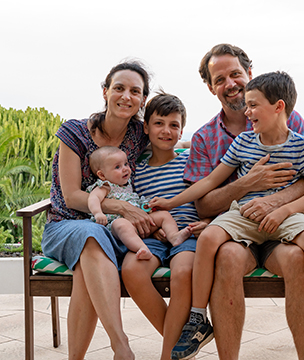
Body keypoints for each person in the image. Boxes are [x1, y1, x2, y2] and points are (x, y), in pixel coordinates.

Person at [151, 71, 304, 360]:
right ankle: (197, 320)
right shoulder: (242, 142)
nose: (247, 112)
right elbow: (209, 183)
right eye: (246, 105)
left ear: (279, 107)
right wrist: (170, 203)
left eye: (253, 105)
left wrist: (282, 208)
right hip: (245, 215)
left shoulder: (302, 144)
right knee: (211, 236)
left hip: (283, 216)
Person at [181, 43, 304, 360]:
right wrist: (246, 184)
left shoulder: (286, 118)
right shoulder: (205, 137)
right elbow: (203, 205)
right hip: (237, 231)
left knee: (298, 260)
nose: (230, 84)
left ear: (249, 72)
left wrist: (274, 201)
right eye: (219, 79)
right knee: (228, 257)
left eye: (235, 73)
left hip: (282, 228)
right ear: (210, 87)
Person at [41, 60, 154, 360]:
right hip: (65, 225)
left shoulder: (140, 136)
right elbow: (73, 196)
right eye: (119, 88)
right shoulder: (74, 133)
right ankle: (121, 346)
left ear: (143, 100)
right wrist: (118, 206)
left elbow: (170, 143)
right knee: (90, 235)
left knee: (85, 271)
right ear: (105, 92)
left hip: (113, 232)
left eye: (135, 91)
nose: (126, 96)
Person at [121, 92, 211, 360]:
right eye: (159, 123)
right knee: (132, 270)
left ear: (181, 129)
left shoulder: (189, 162)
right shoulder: (134, 170)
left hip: (188, 234)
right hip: (150, 236)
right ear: (146, 127)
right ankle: (182, 347)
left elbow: (207, 199)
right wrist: (148, 224)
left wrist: (206, 223)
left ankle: (167, 355)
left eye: (174, 125)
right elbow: (129, 204)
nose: (166, 131)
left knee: (183, 272)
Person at [87, 146, 191, 259]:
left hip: (139, 223)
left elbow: (133, 202)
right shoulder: (106, 186)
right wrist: (98, 213)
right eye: (117, 167)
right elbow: (93, 198)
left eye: (126, 164)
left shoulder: (127, 185)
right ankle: (142, 248)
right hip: (116, 226)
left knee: (164, 215)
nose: (125, 169)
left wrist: (146, 206)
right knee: (121, 224)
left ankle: (173, 236)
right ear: (102, 175)